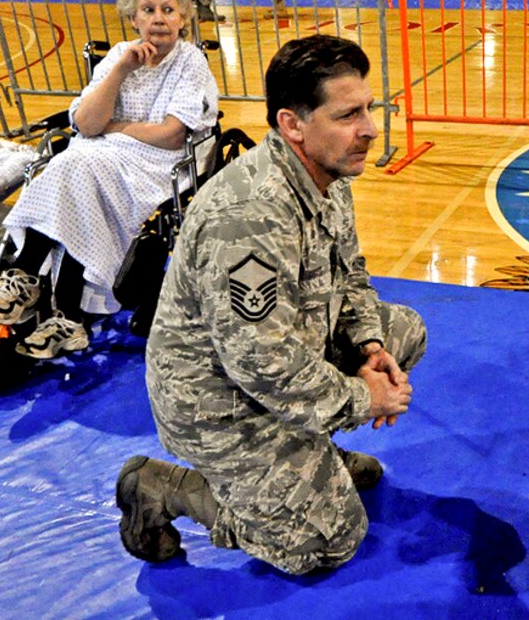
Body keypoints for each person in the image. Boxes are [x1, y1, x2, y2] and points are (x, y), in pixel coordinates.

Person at [115, 35, 428, 575]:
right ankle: (165, 488)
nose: (371, 129)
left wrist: (368, 345)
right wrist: (360, 397)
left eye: (369, 110)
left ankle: (311, 455)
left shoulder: (326, 173)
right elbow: (260, 363)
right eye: (349, 114)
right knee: (322, 542)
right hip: (218, 403)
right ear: (293, 124)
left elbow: (351, 276)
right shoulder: (249, 216)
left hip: (277, 367)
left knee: (403, 331)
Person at [0, 0, 218, 360]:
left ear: (184, 16)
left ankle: (30, 277)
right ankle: (66, 315)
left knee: (73, 167)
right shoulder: (120, 56)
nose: (159, 19)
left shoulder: (190, 61)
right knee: (76, 170)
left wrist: (115, 129)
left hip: (154, 165)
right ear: (132, 18)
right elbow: (87, 123)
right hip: (98, 161)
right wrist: (121, 70)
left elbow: (172, 133)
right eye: (148, 10)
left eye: (168, 10)